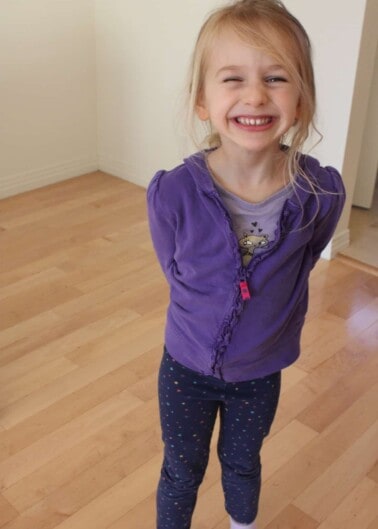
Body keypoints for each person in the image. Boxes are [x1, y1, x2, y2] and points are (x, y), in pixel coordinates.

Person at [147, 1, 345, 528]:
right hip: (185, 368)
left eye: (277, 77)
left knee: (242, 462)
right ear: (202, 101)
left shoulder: (320, 192)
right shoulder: (174, 192)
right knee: (180, 469)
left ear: (301, 100)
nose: (255, 95)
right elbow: (174, 269)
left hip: (261, 372)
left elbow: (302, 264)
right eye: (232, 78)